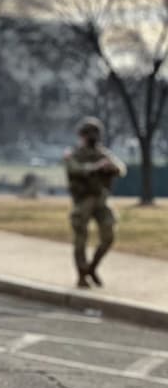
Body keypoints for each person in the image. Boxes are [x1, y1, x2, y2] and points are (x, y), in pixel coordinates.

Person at [64, 117, 126, 288]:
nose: (92, 137)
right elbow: (75, 169)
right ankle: (81, 275)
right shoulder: (74, 155)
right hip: (83, 201)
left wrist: (109, 167)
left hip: (101, 200)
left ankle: (91, 268)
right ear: (82, 136)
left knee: (108, 236)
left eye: (95, 133)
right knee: (80, 239)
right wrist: (96, 167)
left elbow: (121, 169)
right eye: (89, 134)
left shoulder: (103, 154)